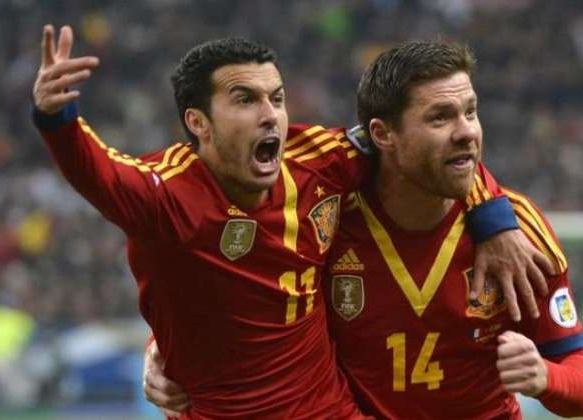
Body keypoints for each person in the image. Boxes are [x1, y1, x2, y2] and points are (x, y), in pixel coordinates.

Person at [31, 25, 550, 418]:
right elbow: (95, 171)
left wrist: (493, 214)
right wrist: (56, 118)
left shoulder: (319, 161)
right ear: (198, 123)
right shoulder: (163, 194)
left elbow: (431, 145)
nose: (270, 115)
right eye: (245, 100)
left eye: (276, 99)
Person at [144, 41, 583, 418]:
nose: (467, 132)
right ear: (382, 134)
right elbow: (228, 290)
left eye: (471, 111)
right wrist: (162, 348)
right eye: (440, 118)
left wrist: (546, 378)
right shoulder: (325, 216)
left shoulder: (517, 232)